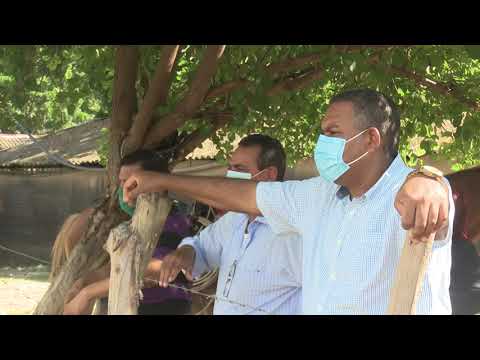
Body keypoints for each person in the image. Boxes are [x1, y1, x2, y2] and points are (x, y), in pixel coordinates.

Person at [123, 89, 455, 315]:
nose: (322, 143)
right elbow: (244, 195)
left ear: (370, 139)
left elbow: (434, 199)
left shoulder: (416, 191)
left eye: (333, 132)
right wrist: (162, 181)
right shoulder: (319, 197)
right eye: (321, 132)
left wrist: (432, 182)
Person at [150, 134, 302, 315]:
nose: (230, 176)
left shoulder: (294, 234)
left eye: (239, 169)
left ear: (269, 175)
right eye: (230, 168)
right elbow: (200, 247)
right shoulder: (234, 219)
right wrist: (185, 253)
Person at [60, 150, 193, 315]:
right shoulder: (136, 223)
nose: (124, 190)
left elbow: (150, 271)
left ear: (155, 183)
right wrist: (84, 282)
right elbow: (118, 266)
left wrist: (88, 294)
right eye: (122, 182)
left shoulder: (172, 223)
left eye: (132, 182)